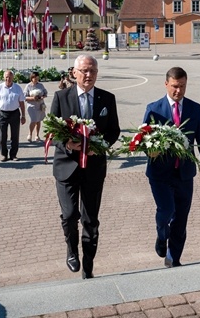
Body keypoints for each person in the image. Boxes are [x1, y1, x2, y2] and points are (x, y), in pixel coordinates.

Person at [50, 54, 120, 279]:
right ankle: (72, 250)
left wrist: (99, 147)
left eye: (93, 71)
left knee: (90, 219)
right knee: (70, 214)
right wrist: (68, 143)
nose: (88, 75)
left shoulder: (107, 99)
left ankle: (89, 262)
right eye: (84, 71)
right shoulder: (61, 97)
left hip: (94, 167)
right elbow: (52, 129)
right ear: (74, 73)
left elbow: (113, 131)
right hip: (66, 166)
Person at [142, 67, 200, 268]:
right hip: (159, 174)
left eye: (182, 86)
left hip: (184, 173)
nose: (178, 91)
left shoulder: (194, 109)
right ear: (166, 84)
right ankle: (161, 233)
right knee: (166, 210)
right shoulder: (154, 109)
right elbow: (143, 139)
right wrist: (151, 151)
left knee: (181, 218)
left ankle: (174, 259)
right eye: (174, 86)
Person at [0, 70, 26, 162]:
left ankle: (13, 155)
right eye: (6, 77)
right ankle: (4, 155)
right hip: (2, 113)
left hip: (15, 113)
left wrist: (23, 116)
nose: (8, 79)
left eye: (10, 77)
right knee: (2, 136)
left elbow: (21, 102)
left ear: (13, 77)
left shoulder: (17, 88)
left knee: (15, 135)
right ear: (4, 78)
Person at [24, 71, 48, 141]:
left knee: (38, 120)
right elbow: (24, 97)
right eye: (35, 78)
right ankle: (30, 134)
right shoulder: (28, 86)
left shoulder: (40, 85)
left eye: (37, 78)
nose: (36, 80)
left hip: (40, 105)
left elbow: (45, 93)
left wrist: (42, 96)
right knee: (34, 120)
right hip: (32, 106)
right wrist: (33, 98)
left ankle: (37, 135)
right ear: (31, 78)